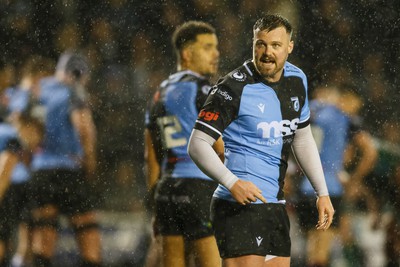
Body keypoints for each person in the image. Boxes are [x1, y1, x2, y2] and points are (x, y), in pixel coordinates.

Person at [188, 14, 335, 267]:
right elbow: (197, 144)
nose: (267, 53)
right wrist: (232, 183)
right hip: (239, 206)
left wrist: (322, 192)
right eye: (261, 44)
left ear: (289, 46)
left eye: (275, 45)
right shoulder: (232, 88)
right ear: (253, 44)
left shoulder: (297, 80)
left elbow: (302, 137)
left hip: (275, 205)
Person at [144, 20, 223, 267]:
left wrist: (156, 202)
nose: (216, 53)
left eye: (216, 47)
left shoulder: (159, 93)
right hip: (199, 188)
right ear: (187, 54)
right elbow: (221, 148)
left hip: (167, 190)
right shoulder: (203, 89)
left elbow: (151, 156)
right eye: (208, 47)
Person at [26, 51, 102, 267]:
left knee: (44, 236)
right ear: (79, 73)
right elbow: (84, 127)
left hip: (41, 169)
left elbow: (28, 131)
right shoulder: (73, 89)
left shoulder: (37, 90)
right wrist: (90, 161)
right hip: (69, 168)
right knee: (88, 234)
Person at [295, 84, 378, 267]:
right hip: (330, 189)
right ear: (348, 99)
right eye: (356, 105)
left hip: (306, 187)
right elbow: (370, 153)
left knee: (311, 251)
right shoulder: (346, 119)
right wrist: (354, 180)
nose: (356, 110)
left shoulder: (313, 109)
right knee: (322, 253)